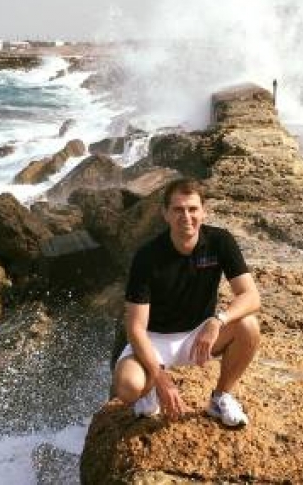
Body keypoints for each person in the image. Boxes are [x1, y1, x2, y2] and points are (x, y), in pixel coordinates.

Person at [112, 178, 261, 427]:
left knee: (249, 325)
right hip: (154, 339)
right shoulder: (147, 256)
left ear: (204, 211)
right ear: (165, 214)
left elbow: (251, 296)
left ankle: (220, 398)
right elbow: (135, 329)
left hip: (198, 335)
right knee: (128, 387)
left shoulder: (220, 241)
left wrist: (218, 320)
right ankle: (149, 390)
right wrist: (160, 377)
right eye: (178, 210)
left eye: (193, 209)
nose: (186, 217)